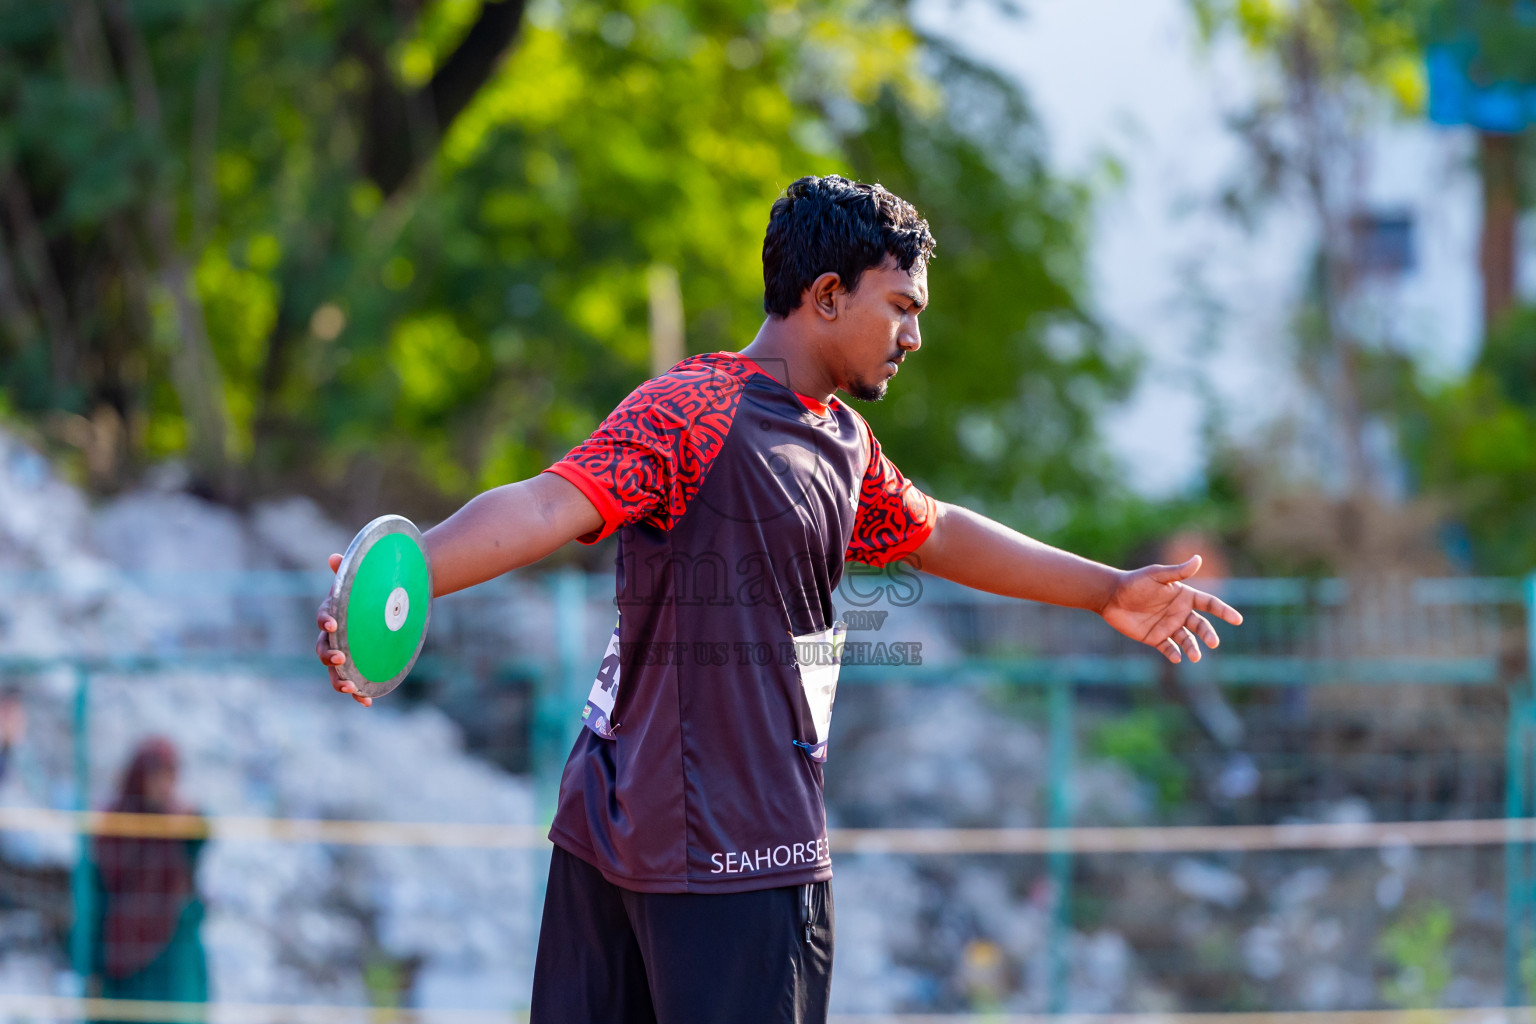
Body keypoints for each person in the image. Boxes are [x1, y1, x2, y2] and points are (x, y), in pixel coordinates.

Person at [314, 174, 1243, 1023]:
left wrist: (1107, 591)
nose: (915, 335)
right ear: (826, 296)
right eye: (901, 307)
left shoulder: (843, 445)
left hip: (666, 838)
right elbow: (550, 501)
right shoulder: (693, 411)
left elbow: (943, 531)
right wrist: (408, 578)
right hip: (704, 856)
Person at [89, 737, 208, 1022]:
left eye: (169, 776)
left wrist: (190, 822)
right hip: (124, 955)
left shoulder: (180, 822)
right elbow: (98, 889)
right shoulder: (116, 822)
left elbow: (201, 842)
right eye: (156, 776)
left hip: (171, 950)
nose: (163, 785)